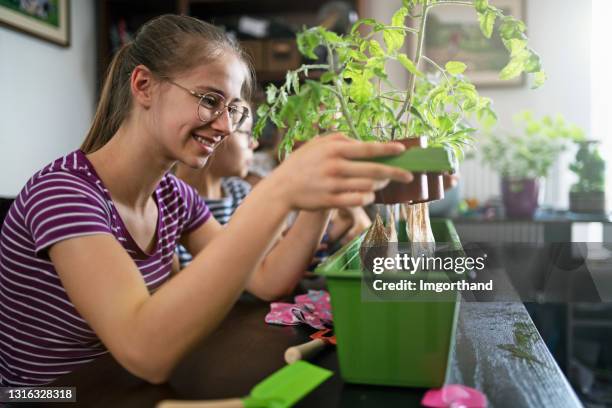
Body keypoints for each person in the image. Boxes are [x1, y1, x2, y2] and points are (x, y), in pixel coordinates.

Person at [0, 14, 413, 386]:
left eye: (233, 109)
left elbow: (268, 278)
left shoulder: (174, 196)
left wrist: (322, 195)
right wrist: (278, 190)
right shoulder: (62, 194)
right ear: (143, 85)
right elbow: (145, 351)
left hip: (123, 389)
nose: (223, 126)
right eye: (209, 100)